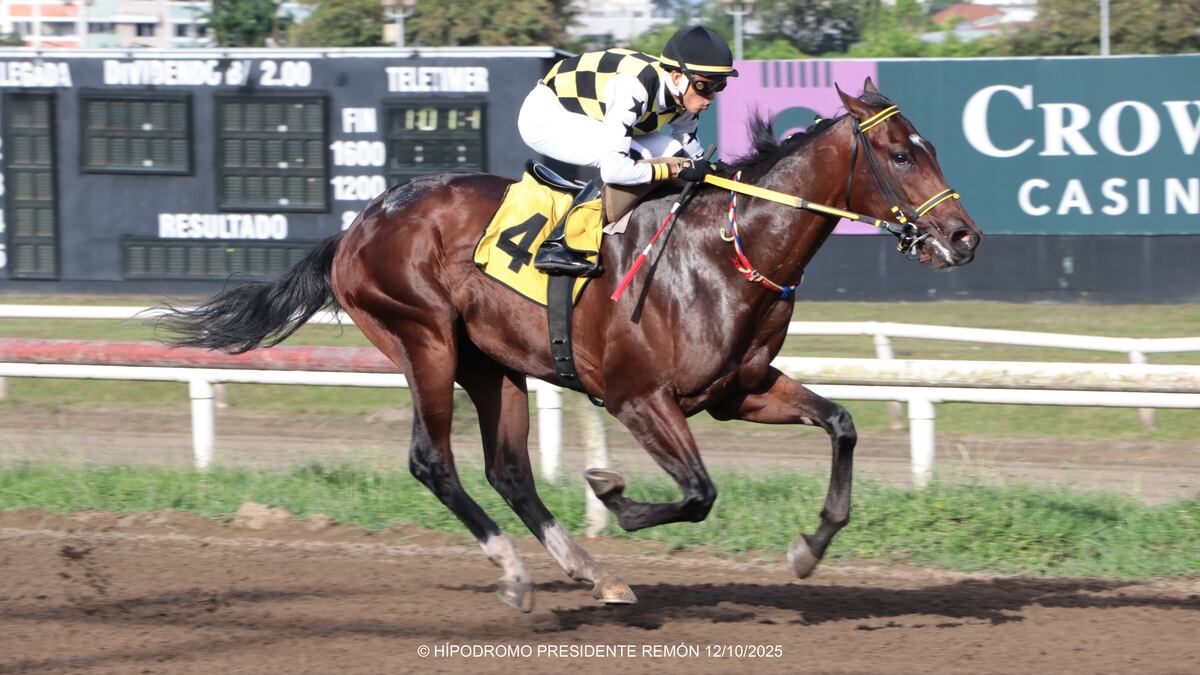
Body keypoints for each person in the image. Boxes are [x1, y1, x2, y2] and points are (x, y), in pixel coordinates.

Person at [518, 25, 738, 275]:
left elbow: (688, 148)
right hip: (547, 117)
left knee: (674, 153)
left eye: (719, 87)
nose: (710, 97)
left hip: (591, 116)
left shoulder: (683, 93)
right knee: (639, 159)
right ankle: (559, 243)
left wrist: (712, 171)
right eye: (704, 87)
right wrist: (675, 170)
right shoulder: (632, 88)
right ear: (677, 77)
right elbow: (614, 171)